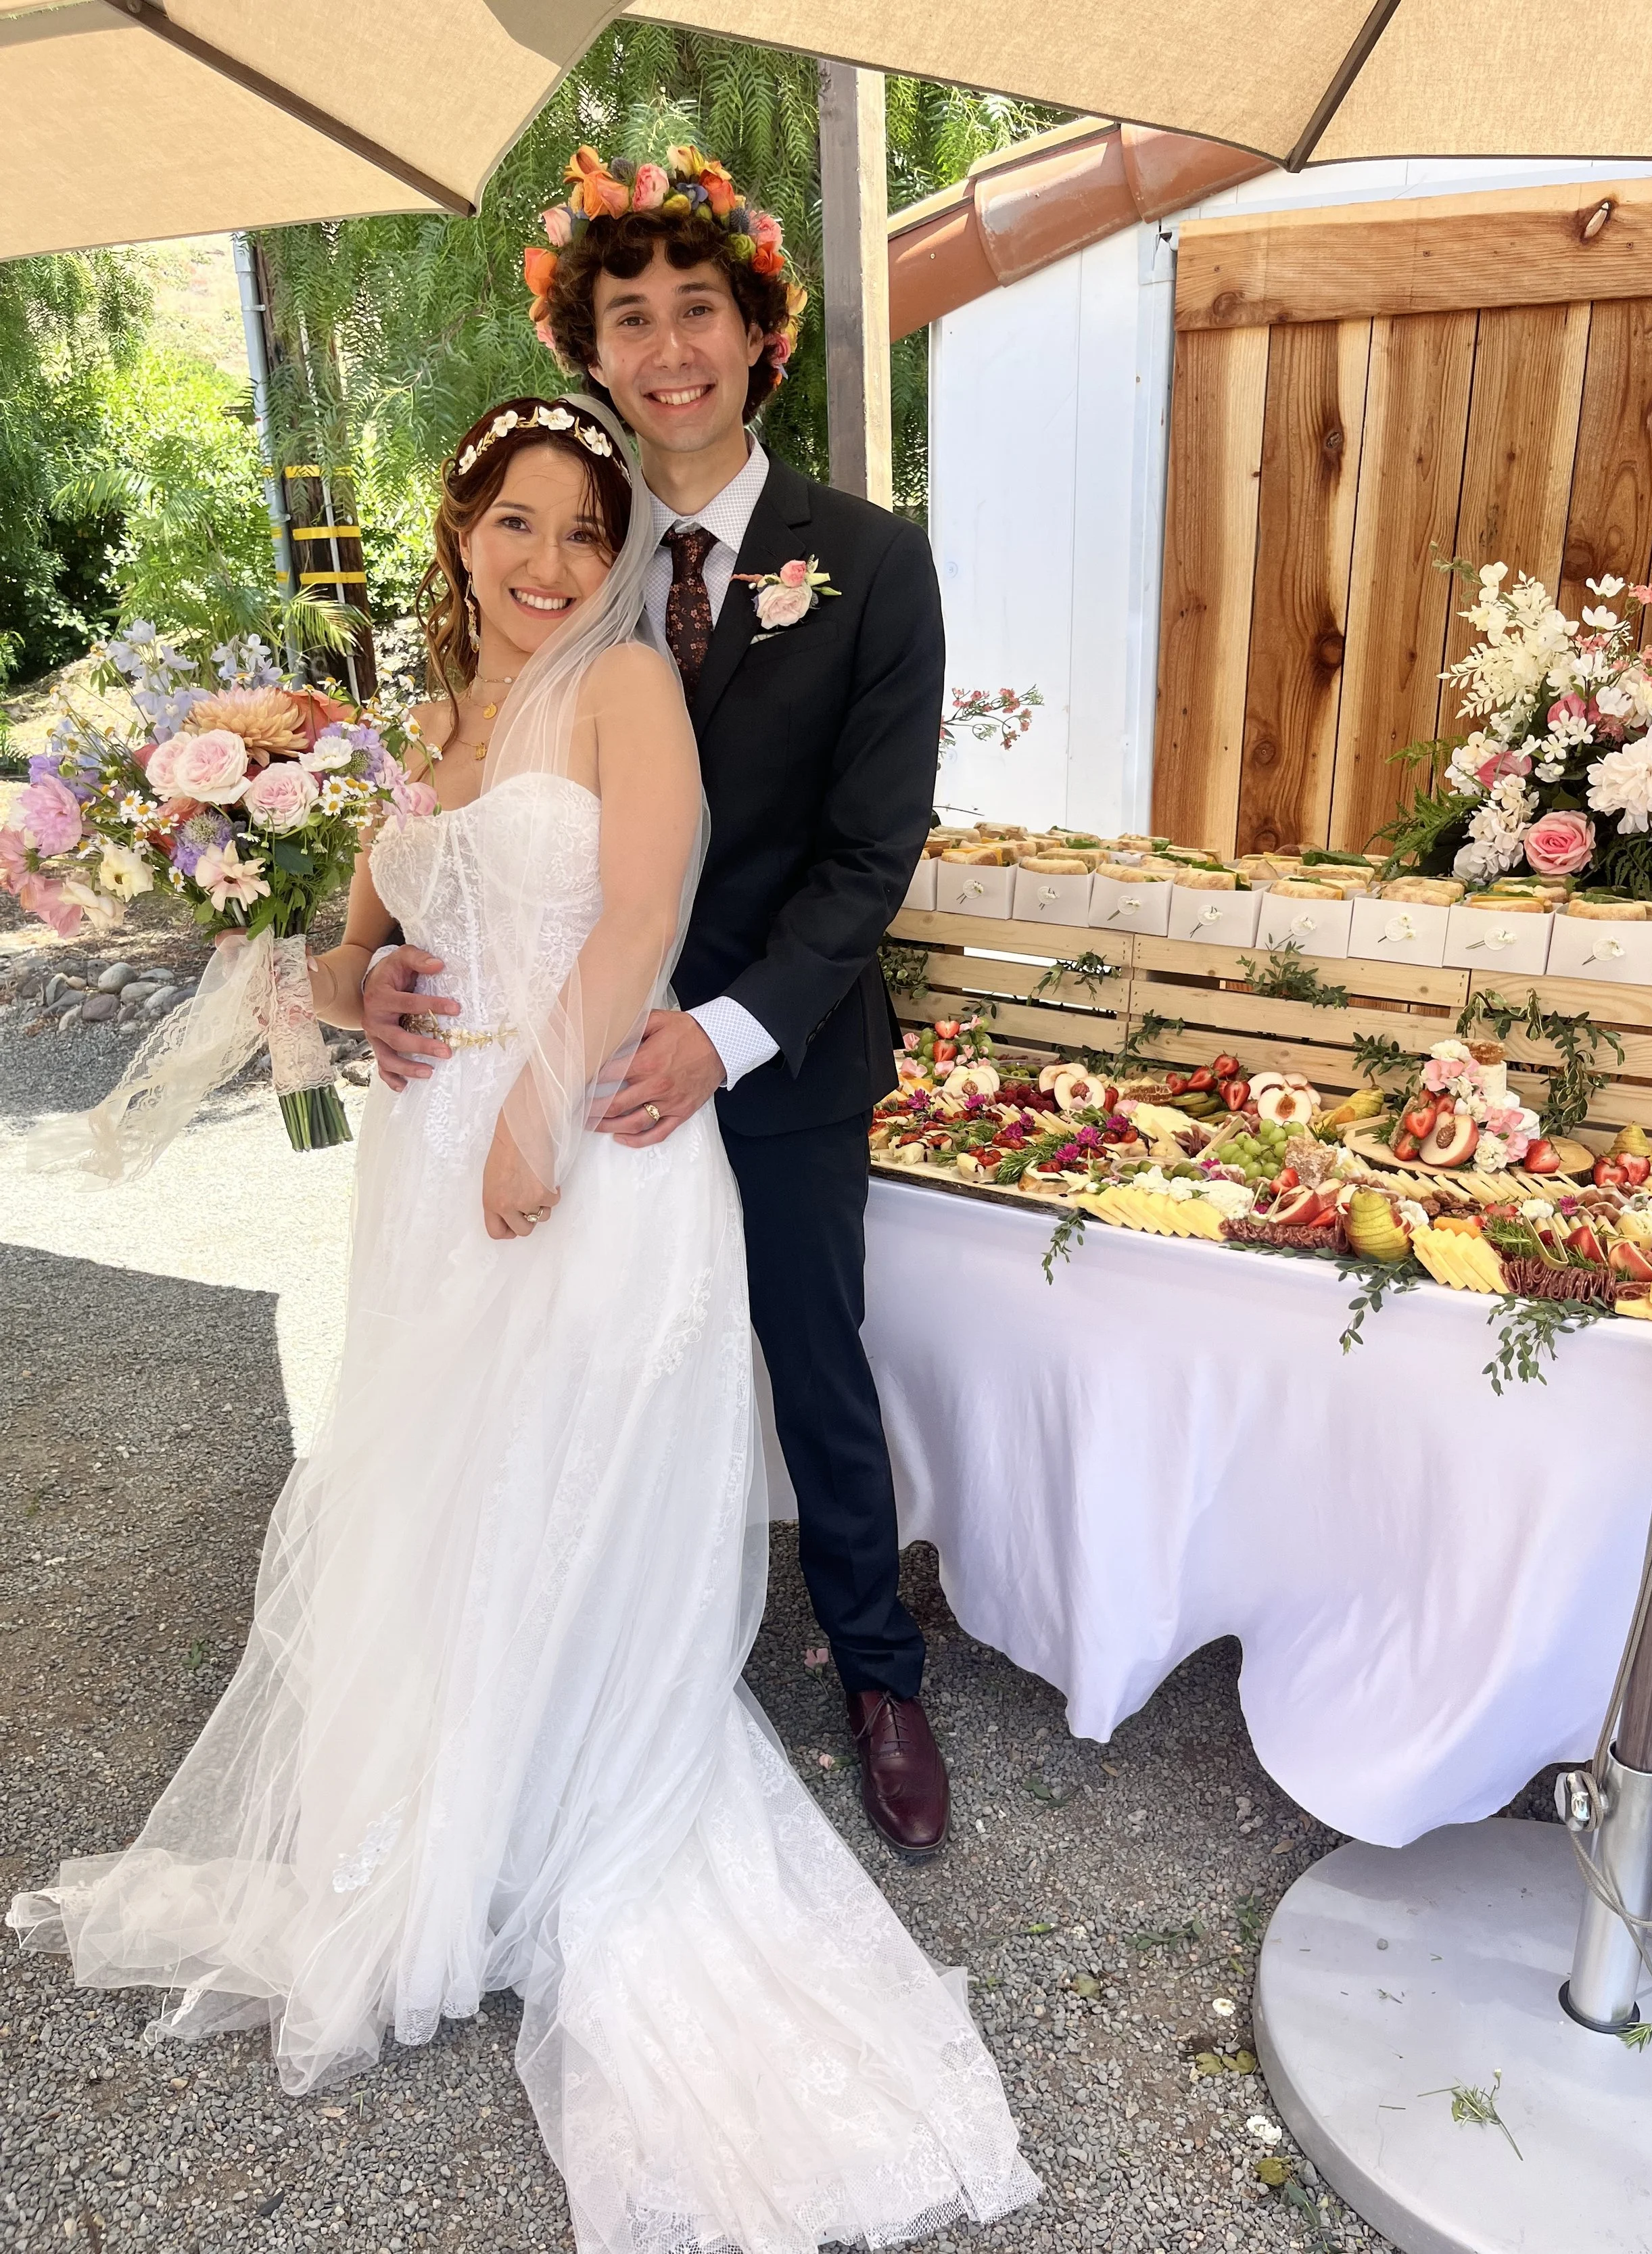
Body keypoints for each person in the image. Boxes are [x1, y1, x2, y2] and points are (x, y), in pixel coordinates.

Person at [9, 392, 1038, 2251]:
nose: (550, 562)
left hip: (577, 1152)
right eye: (517, 525)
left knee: (569, 1474)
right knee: (445, 1481)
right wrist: (356, 978)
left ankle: (560, 1799)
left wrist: (533, 1111)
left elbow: (639, 912)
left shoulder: (630, 689)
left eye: (584, 529)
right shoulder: (416, 733)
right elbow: (337, 959)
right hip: (418, 1166)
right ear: (458, 529)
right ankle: (443, 1806)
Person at [360, 146, 951, 1862]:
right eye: (631, 319)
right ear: (590, 349)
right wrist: (376, 963)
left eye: (700, 310)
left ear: (759, 334)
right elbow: (466, 820)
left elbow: (867, 852)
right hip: (543, 1055)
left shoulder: (865, 561)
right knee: (567, 1376)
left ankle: (874, 1666)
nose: (667, 346)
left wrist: (724, 1029)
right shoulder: (569, 564)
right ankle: (577, 1660)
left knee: (808, 1357)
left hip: (760, 1051)